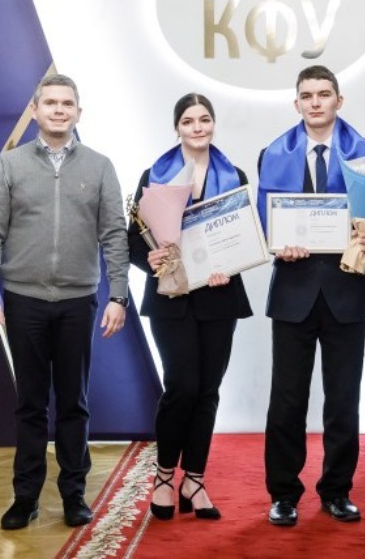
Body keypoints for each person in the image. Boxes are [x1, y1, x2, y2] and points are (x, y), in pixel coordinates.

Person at [0, 74, 130, 530]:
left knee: (74, 404)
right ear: (35, 110)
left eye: (67, 103)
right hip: (23, 301)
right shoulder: (10, 165)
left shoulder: (100, 166)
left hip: (79, 302)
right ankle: (25, 498)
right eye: (50, 103)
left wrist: (118, 295)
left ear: (78, 112)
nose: (59, 110)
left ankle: (74, 496)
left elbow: (114, 235)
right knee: (30, 404)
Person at [257, 65, 365, 526]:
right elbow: (266, 223)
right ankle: (283, 494)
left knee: (343, 400)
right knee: (286, 401)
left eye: (324, 94)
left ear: (339, 100)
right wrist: (278, 243)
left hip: (348, 290)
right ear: (297, 103)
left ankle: (336, 490)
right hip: (293, 291)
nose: (315, 102)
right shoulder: (272, 153)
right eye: (307, 95)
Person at [129, 93, 252, 521]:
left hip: (219, 296)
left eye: (204, 119)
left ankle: (194, 480)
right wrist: (149, 259)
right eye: (188, 121)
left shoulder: (234, 175)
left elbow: (242, 236)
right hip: (171, 298)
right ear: (177, 128)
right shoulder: (154, 176)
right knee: (181, 386)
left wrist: (229, 266)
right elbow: (133, 239)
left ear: (213, 124)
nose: (197, 127)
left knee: (208, 390)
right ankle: (165, 476)